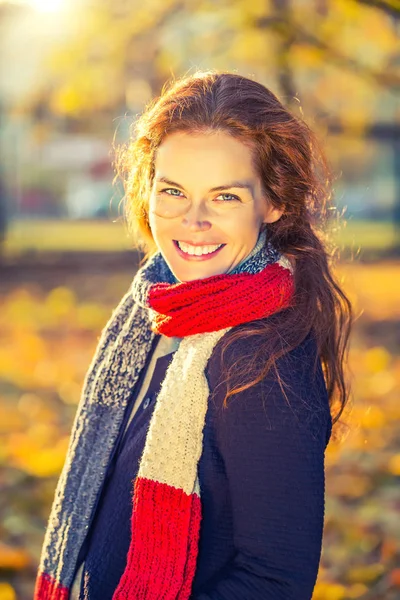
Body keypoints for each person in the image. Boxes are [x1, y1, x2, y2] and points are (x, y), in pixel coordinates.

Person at [34, 70, 352, 600]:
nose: (193, 220)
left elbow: (276, 581)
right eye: (174, 191)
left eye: (225, 197)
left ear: (273, 202)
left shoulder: (262, 358)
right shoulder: (154, 311)